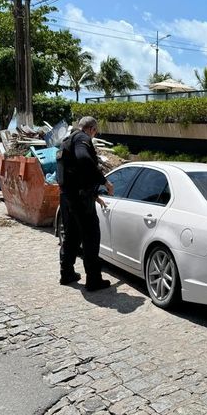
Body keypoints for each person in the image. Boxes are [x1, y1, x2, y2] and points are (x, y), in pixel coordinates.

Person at [57, 116, 114, 291]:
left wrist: (95, 195)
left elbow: (75, 174)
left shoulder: (67, 141)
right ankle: (93, 280)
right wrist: (104, 181)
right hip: (80, 200)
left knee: (71, 236)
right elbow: (84, 160)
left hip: (67, 197)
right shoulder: (82, 138)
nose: (94, 134)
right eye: (95, 131)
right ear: (91, 129)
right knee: (91, 237)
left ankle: (66, 273)